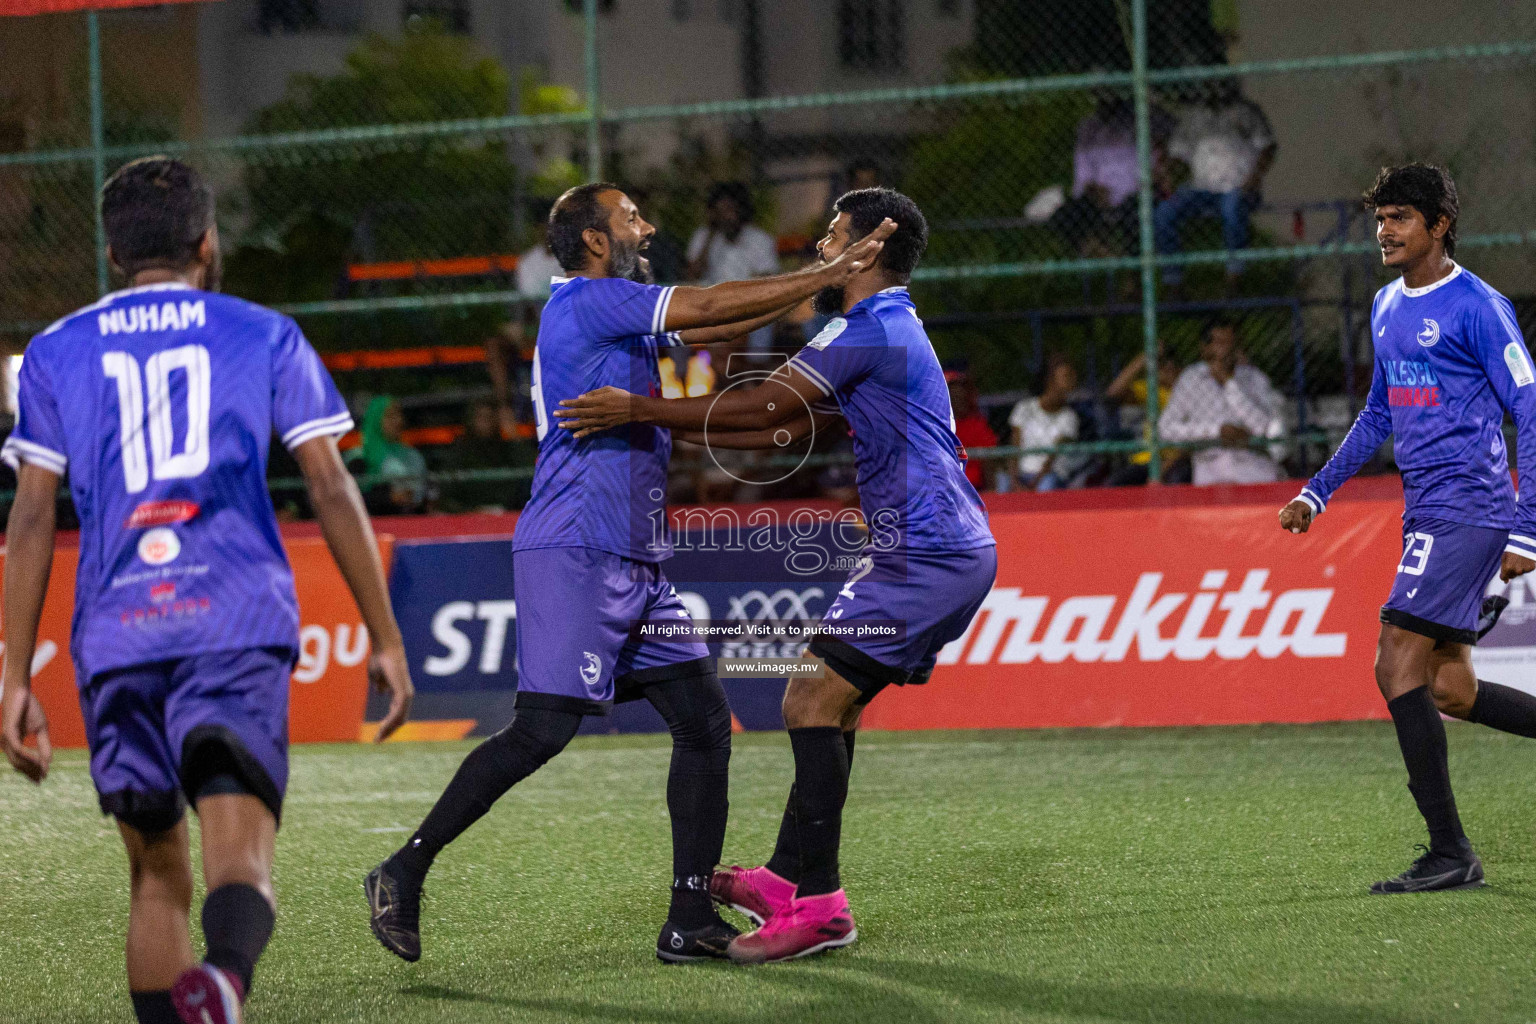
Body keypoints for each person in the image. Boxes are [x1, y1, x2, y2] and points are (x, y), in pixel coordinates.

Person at [364, 181, 895, 965]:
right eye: (631, 217)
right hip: (575, 548)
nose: (648, 224)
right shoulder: (589, 300)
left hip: (633, 556)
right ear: (595, 241)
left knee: (704, 721)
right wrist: (828, 274)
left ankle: (689, 921)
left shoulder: (616, 307)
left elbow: (720, 318)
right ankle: (401, 869)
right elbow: (713, 306)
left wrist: (813, 293)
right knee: (542, 730)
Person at [0, 156, 414, 1024]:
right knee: (241, 862)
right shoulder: (263, 333)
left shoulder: (53, 351)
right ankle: (224, 979)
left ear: (114, 253)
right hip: (230, 624)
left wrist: (13, 679)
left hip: (116, 638)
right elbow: (330, 487)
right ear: (207, 240)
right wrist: (384, 633)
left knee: (155, 879)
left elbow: (31, 518)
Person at [554, 187, 996, 963]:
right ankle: (789, 876)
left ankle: (820, 905)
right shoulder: (879, 328)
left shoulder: (870, 328)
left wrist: (639, 409)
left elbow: (762, 410)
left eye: (833, 235)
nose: (820, 247)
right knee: (834, 699)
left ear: (870, 248)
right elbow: (791, 412)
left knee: (810, 695)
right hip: (923, 549)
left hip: (930, 553)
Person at [1279, 164, 1536, 893]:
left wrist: (1529, 528)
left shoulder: (1479, 306)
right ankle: (1451, 851)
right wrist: (1318, 492)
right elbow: (1379, 416)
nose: (1384, 232)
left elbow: (1531, 405)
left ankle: (1450, 853)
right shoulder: (1388, 305)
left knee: (1395, 663)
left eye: (1400, 218)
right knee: (1451, 688)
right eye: (1380, 218)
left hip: (1470, 507)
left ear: (1438, 225)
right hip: (1426, 507)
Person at [1154, 78, 1276, 286]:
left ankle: (1234, 274)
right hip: (1201, 189)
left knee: (1232, 207)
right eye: (1208, 84)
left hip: (1237, 187)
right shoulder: (1194, 116)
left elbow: (1267, 148)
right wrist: (1165, 174)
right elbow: (1175, 153)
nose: (1213, 90)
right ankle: (1173, 280)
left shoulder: (1246, 112)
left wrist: (1253, 179)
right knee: (1164, 213)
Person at [1158, 318, 1283, 485]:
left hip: (1253, 467)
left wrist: (1228, 383)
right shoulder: (1191, 379)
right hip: (1210, 470)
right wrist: (1216, 431)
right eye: (1219, 343)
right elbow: (1165, 429)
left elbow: (1265, 427)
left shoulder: (1254, 378)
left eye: (1230, 343)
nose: (1225, 350)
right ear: (1204, 348)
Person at [1052, 92, 1174, 256]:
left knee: (1135, 215)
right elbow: (1082, 169)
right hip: (1099, 194)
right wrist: (1093, 190)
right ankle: (1103, 252)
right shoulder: (1089, 127)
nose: (1106, 106)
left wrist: (1144, 184)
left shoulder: (1140, 123)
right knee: (1065, 215)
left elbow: (1152, 161)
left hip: (1135, 192)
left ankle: (1133, 271)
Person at [686, 182, 780, 350]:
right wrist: (710, 236)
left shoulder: (759, 239)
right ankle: (682, 373)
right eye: (720, 212)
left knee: (763, 319)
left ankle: (757, 364)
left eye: (730, 210)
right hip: (712, 304)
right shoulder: (704, 237)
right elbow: (692, 274)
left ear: (742, 210)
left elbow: (768, 281)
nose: (726, 217)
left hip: (749, 304)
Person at [1105, 349, 1188, 486]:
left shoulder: (1189, 392)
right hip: (1147, 460)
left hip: (1175, 461)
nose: (1168, 368)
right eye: (1161, 364)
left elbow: (1188, 445)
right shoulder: (1152, 389)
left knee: (1176, 480)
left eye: (1171, 364)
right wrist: (1145, 356)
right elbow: (1113, 393)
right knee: (1113, 485)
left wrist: (1161, 471)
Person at [441, 399, 536, 511]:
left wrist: (514, 435)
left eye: (490, 417)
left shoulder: (507, 449)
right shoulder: (460, 451)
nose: (486, 422)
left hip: (507, 513)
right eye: (481, 417)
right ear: (471, 420)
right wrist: (471, 511)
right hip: (468, 517)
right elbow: (446, 495)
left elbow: (532, 470)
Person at [1008, 354, 1081, 491]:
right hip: (1022, 473)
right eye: (1066, 376)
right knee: (1002, 485)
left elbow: (1051, 460)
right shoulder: (1024, 408)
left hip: (1049, 476)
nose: (1072, 382)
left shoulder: (1069, 417)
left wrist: (1033, 485)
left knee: (1047, 486)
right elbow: (1014, 447)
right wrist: (1014, 480)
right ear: (1050, 380)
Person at [351, 396, 429, 515]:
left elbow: (426, 493)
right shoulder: (358, 458)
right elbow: (349, 499)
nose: (398, 421)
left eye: (399, 415)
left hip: (414, 522)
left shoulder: (413, 456)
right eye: (390, 416)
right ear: (375, 418)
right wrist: (388, 498)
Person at [947, 368, 998, 491]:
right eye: (953, 393)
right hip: (946, 487)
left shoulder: (977, 424)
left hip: (974, 488)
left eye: (961, 391)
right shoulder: (937, 426)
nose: (958, 395)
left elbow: (989, 462)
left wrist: (991, 493)